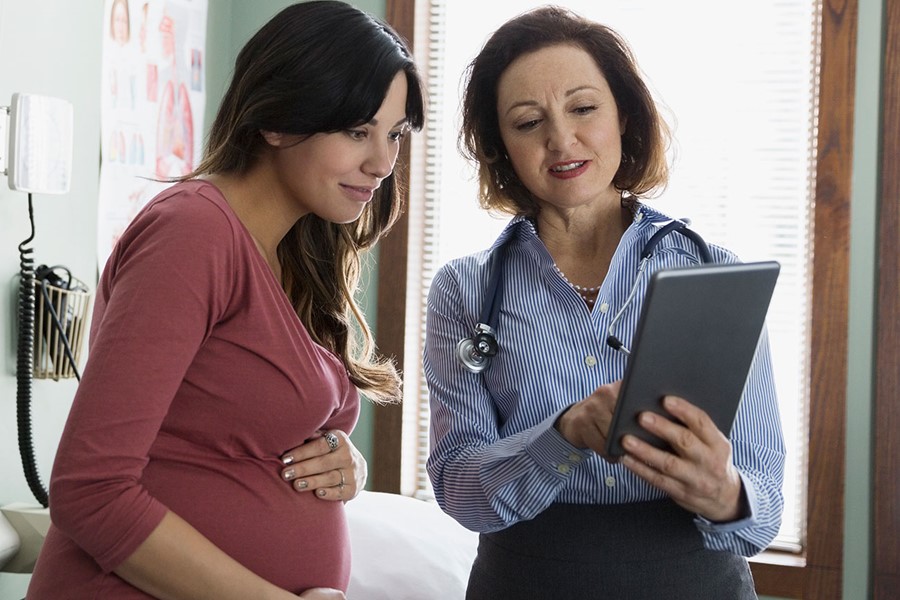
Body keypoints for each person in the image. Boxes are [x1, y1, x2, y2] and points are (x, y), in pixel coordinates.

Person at [28, 2, 424, 599]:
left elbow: (252, 428)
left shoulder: (297, 248)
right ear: (278, 121)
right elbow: (90, 490)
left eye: (394, 134)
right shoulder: (194, 233)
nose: (382, 162)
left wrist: (346, 463)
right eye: (357, 131)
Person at [424, 6, 785, 599]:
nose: (561, 140)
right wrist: (561, 436)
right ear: (499, 146)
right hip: (526, 580)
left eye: (584, 108)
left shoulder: (714, 273)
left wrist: (724, 493)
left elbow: (763, 512)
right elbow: (461, 490)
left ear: (625, 117)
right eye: (527, 121)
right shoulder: (466, 291)